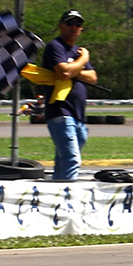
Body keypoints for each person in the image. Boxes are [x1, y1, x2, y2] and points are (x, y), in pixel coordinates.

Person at [42, 9, 97, 180]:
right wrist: (83, 60)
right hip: (61, 111)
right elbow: (63, 73)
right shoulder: (55, 46)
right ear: (61, 26)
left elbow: (92, 77)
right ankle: (67, 197)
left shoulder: (75, 51)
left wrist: (74, 69)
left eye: (78, 24)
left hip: (78, 114)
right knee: (71, 159)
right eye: (70, 23)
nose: (74, 27)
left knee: (63, 160)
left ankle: (57, 191)